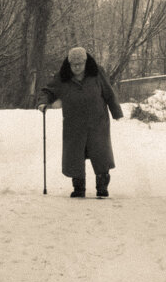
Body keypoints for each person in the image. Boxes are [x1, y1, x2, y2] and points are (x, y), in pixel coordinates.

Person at [37, 47, 123, 198]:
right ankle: (79, 188)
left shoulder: (97, 73)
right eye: (73, 64)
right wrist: (43, 103)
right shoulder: (62, 77)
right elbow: (48, 91)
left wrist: (116, 112)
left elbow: (109, 93)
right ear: (69, 64)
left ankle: (102, 187)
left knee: (100, 153)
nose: (76, 67)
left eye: (80, 64)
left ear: (85, 62)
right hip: (74, 124)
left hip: (97, 122)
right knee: (75, 155)